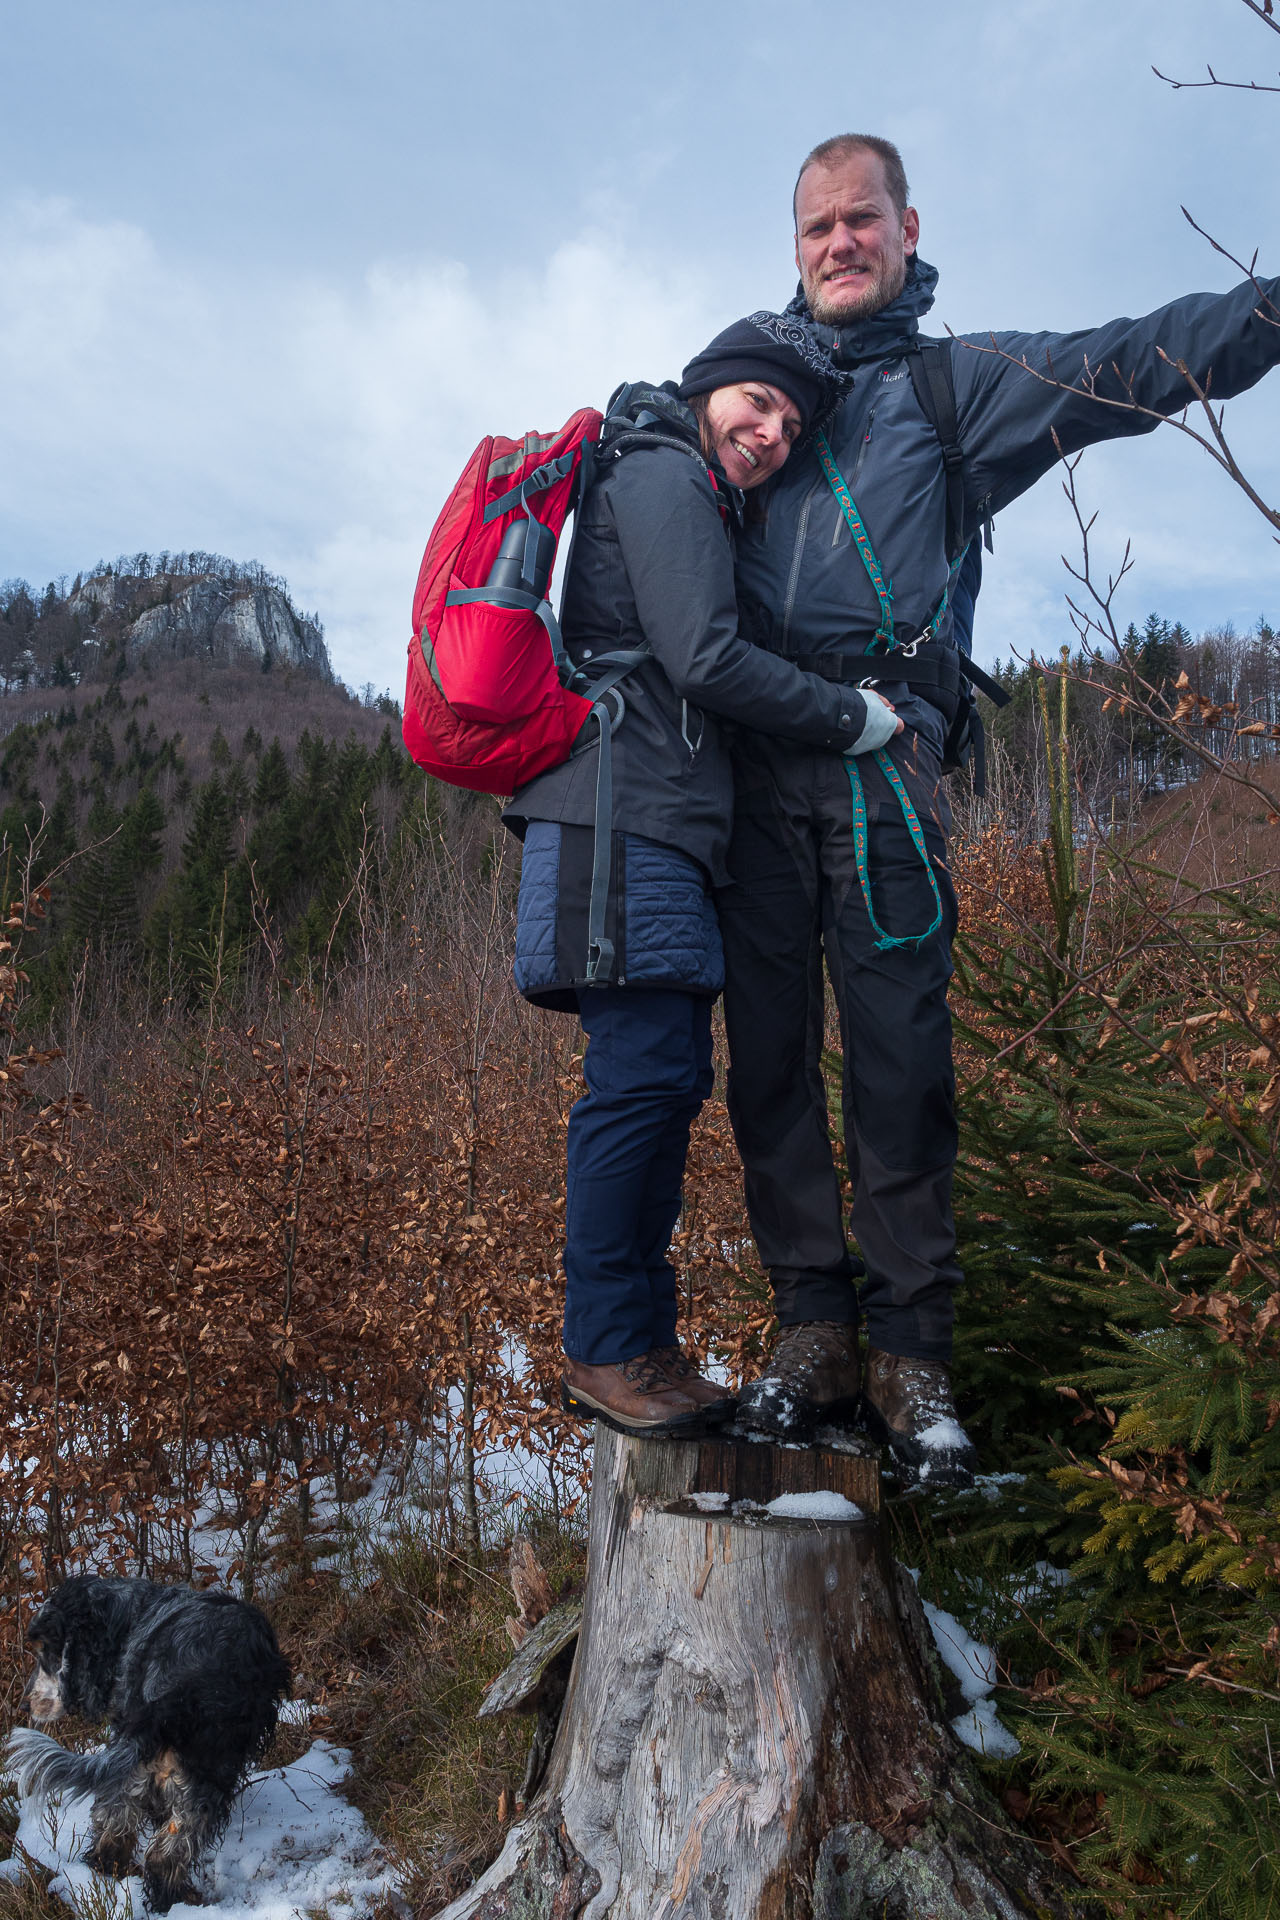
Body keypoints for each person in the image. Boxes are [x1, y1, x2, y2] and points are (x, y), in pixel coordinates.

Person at [721, 132, 1280, 1488]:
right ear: (794, 250)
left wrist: (1264, 315)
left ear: (911, 229)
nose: (840, 243)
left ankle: (914, 1364)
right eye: (817, 229)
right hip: (749, 767)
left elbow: (1127, 361)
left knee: (904, 1072)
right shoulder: (745, 388)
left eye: (862, 220)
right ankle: (809, 1335)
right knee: (771, 1068)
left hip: (885, 775)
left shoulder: (951, 385)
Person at [504, 318, 900, 1439]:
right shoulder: (661, 469)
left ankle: (638, 1346)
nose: (770, 432)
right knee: (638, 1082)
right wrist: (849, 719)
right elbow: (705, 658)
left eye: (789, 422)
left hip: (656, 824)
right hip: (612, 816)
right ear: (708, 387)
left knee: (664, 1077)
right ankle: (606, 1349)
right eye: (756, 403)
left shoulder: (683, 479)